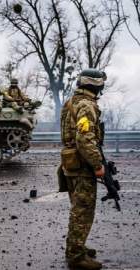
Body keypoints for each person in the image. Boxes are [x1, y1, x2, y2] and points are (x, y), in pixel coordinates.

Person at [60, 68, 107, 270]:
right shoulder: (87, 105)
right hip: (82, 165)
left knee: (78, 208)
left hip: (71, 163)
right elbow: (84, 138)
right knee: (83, 210)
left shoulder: (72, 102)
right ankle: (76, 257)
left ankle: (76, 247)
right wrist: (97, 165)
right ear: (96, 85)